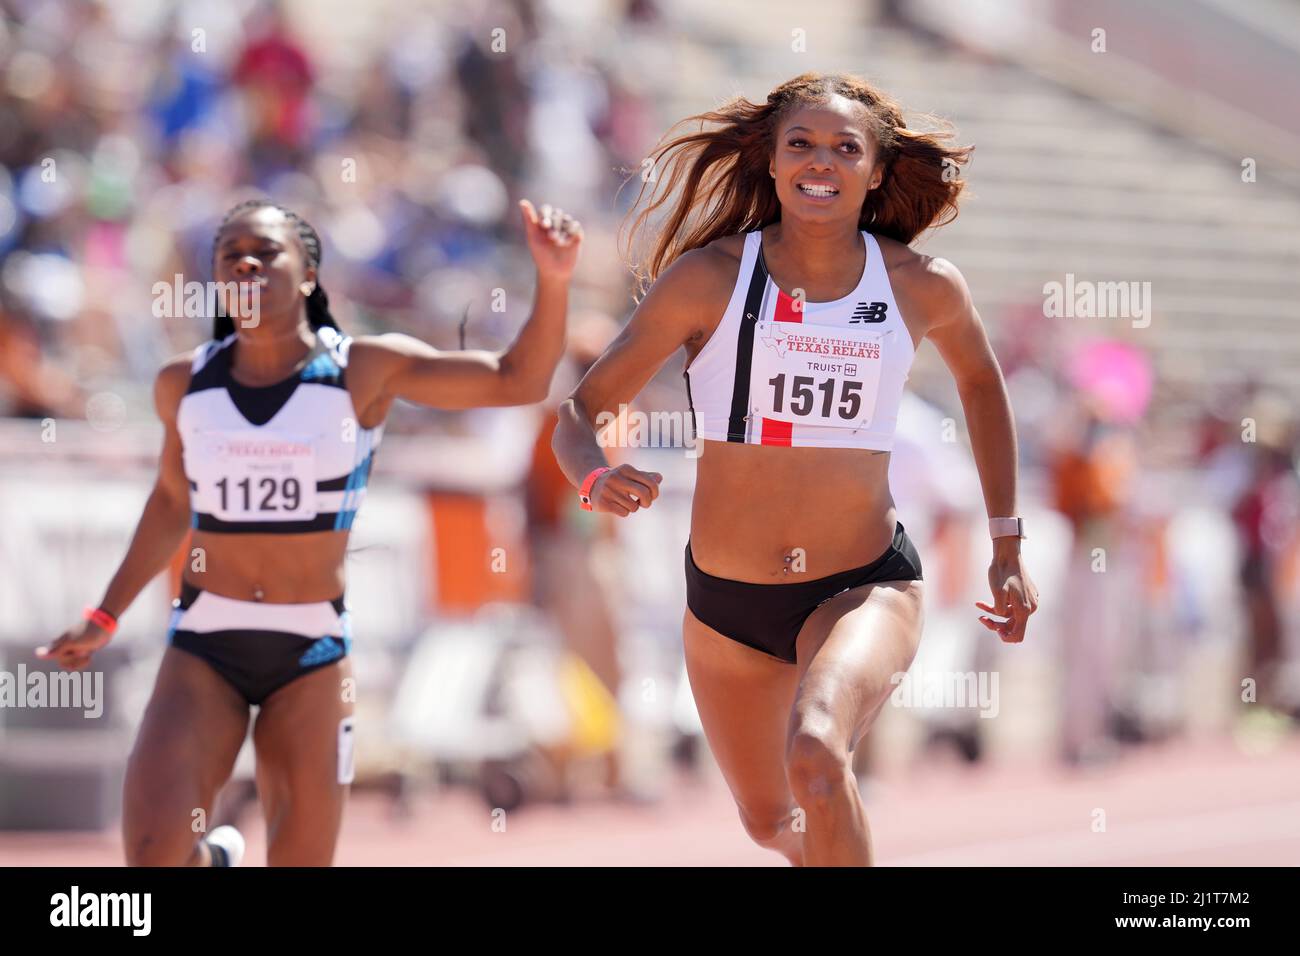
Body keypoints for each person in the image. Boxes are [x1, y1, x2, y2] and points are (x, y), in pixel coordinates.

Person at [553, 72, 1038, 866]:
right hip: (726, 603)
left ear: (876, 171)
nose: (822, 161)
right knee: (775, 823)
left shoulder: (921, 286)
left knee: (817, 750)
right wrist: (594, 479)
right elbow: (581, 409)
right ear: (773, 163)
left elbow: (983, 386)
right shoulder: (709, 278)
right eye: (801, 144)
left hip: (861, 583)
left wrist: (1007, 545)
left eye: (846, 147)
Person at [37, 197, 582, 865]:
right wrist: (104, 613)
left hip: (311, 652)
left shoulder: (363, 371)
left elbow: (517, 380)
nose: (246, 262)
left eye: (266, 252)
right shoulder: (183, 384)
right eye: (229, 254)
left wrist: (553, 281)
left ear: (307, 276)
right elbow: (172, 502)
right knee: (152, 857)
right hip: (206, 641)